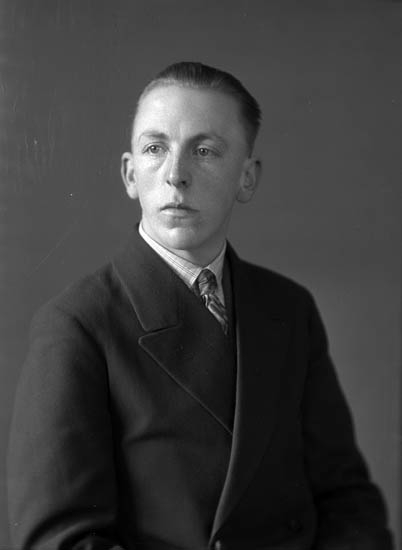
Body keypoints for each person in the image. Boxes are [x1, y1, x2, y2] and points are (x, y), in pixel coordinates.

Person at [8, 62, 393, 550]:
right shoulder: (78, 324)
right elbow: (60, 540)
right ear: (130, 174)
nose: (176, 175)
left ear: (246, 178)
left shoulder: (288, 309)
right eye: (155, 148)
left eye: (205, 151)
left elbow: (347, 500)